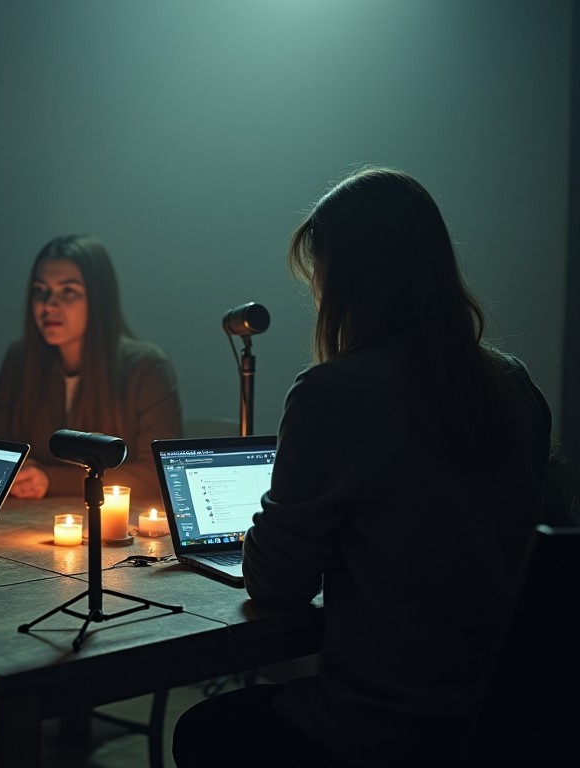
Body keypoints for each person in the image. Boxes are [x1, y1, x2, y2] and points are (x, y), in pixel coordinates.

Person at [172, 167, 553, 767]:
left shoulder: (332, 394)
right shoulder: (512, 383)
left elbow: (276, 585)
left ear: (346, 279)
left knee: (201, 730)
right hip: (504, 722)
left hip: (386, 729)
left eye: (319, 276)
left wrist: (263, 534)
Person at [0, 234, 182, 508]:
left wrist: (50, 479)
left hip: (112, 524)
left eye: (68, 291)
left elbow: (159, 474)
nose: (49, 304)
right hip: (23, 518)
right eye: (41, 290)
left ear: (98, 299)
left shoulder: (146, 366)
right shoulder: (21, 359)